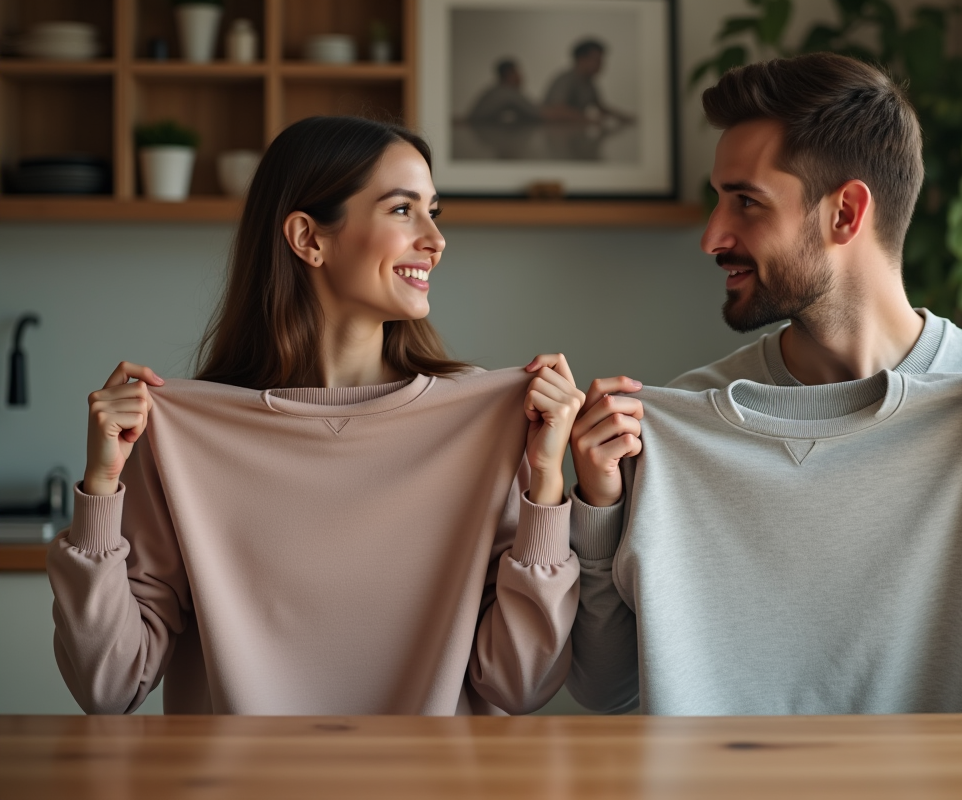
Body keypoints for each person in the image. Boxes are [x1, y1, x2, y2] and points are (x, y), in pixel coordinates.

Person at [566, 54, 962, 714]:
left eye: (746, 202)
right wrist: (599, 513)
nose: (711, 237)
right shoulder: (679, 427)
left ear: (845, 213)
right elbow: (604, 690)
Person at [47, 116, 586, 716]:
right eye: (403, 210)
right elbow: (108, 686)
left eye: (435, 211)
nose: (435, 239)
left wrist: (546, 487)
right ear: (308, 238)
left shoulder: (489, 423)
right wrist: (100, 490)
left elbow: (520, 686)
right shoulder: (178, 437)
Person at [542, 39, 633, 125]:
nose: (601, 64)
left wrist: (624, 118)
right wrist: (588, 119)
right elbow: (557, 110)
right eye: (597, 60)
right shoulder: (566, 80)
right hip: (553, 131)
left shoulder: (589, 83)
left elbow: (601, 108)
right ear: (581, 59)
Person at [466, 59, 542, 126]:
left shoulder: (495, 90)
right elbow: (539, 114)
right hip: (477, 132)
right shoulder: (508, 93)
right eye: (518, 73)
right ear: (510, 75)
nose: (521, 77)